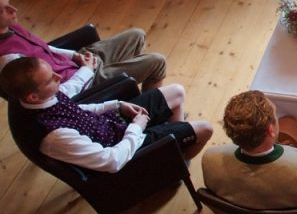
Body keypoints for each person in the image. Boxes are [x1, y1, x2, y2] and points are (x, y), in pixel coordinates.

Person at [0, 57, 211, 173]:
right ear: (33, 96)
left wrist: (117, 105)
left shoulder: (41, 99)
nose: (58, 76)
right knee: (205, 129)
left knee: (177, 92)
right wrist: (136, 127)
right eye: (50, 79)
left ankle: (172, 157)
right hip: (123, 149)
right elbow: (111, 162)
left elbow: (77, 111)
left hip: (113, 124)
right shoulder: (54, 137)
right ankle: (171, 167)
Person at [0, 0, 166, 92]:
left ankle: (127, 91)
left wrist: (75, 56)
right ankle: (156, 114)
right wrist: (86, 70)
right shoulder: (9, 60)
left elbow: (45, 48)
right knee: (157, 61)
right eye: (3, 10)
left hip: (75, 64)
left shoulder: (9, 27)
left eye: (9, 4)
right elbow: (59, 95)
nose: (14, 10)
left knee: (136, 35)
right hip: (84, 82)